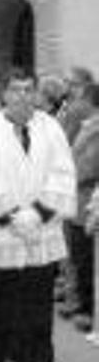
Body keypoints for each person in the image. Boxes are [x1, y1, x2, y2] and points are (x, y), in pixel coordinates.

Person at [0, 69, 76, 362]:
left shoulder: (51, 128)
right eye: (15, 90)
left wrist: (37, 215)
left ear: (36, 94)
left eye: (28, 90)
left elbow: (62, 175)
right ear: (4, 95)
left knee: (34, 313)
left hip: (39, 235)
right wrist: (11, 217)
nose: (22, 96)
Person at [69, 83, 99, 332]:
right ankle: (83, 305)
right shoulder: (88, 126)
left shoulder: (95, 128)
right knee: (80, 255)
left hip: (88, 197)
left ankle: (88, 310)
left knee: (87, 257)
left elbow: (89, 164)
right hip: (79, 198)